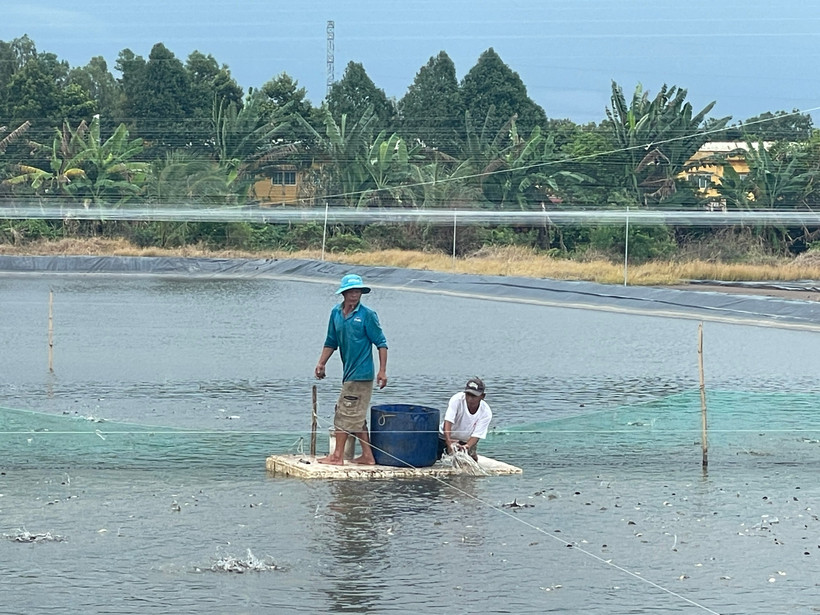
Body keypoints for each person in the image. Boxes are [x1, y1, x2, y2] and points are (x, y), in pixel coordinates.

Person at [315, 273, 388, 465]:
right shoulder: (336, 313)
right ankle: (368, 455)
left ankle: (337, 456)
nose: (355, 295)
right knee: (357, 414)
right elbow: (331, 341)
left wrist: (382, 371)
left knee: (344, 411)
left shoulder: (367, 315)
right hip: (348, 373)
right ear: (344, 293)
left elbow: (381, 343)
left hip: (362, 373)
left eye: (358, 291)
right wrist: (321, 363)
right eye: (351, 291)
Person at [438, 377, 493, 462]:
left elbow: (477, 435)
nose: (470, 399)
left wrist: (466, 446)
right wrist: (449, 442)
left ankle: (471, 453)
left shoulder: (486, 412)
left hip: (466, 440)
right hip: (445, 436)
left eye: (474, 396)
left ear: (482, 396)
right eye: (468, 395)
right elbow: (448, 421)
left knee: (469, 461)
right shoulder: (457, 399)